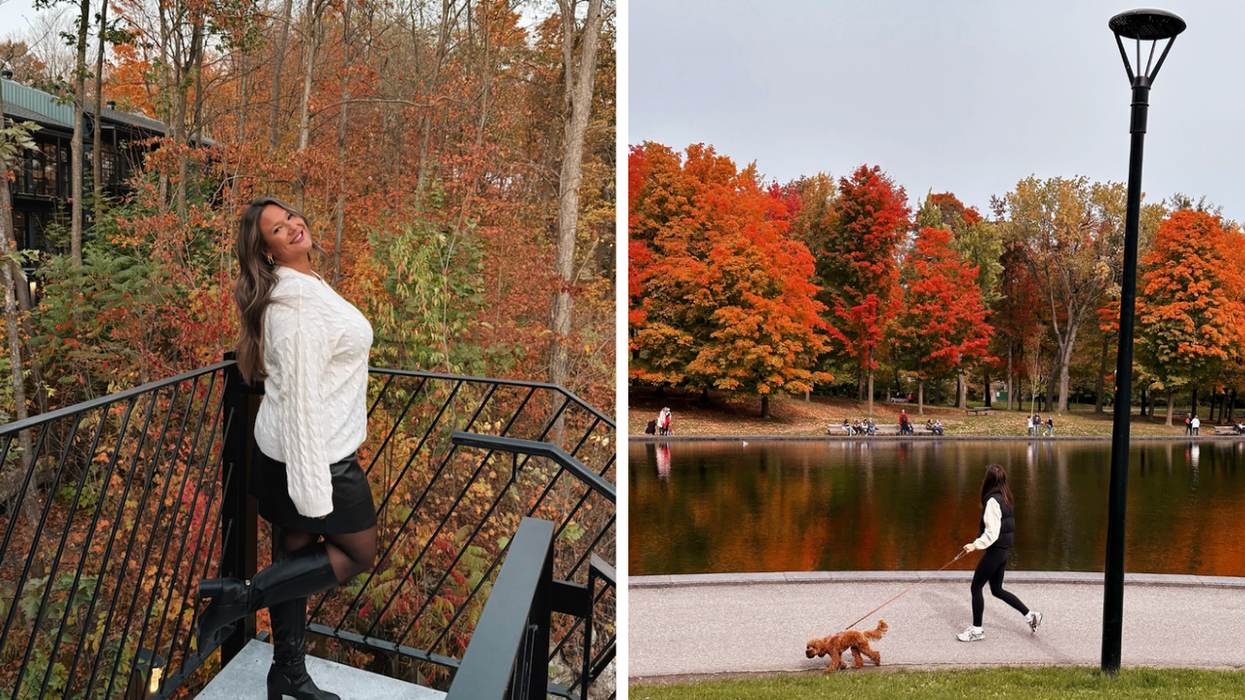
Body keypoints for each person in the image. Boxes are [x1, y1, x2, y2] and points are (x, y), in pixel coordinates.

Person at [199, 197, 379, 700]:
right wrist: (312, 489)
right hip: (314, 454)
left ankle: (288, 674)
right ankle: (239, 598)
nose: (293, 227)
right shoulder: (295, 304)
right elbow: (301, 400)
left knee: (292, 556)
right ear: (268, 251)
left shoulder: (301, 286)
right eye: (278, 229)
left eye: (292, 218)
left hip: (287, 451)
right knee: (358, 552)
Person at [957, 464, 1042, 642]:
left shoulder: (993, 501)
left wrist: (974, 545)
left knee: (976, 587)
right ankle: (1030, 615)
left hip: (996, 551)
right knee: (996, 589)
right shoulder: (1006, 497)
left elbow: (992, 533)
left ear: (987, 480)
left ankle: (977, 630)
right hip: (1003, 550)